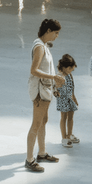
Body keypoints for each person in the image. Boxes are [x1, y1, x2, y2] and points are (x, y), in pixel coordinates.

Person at [24, 16, 62, 172]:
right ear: (48, 31)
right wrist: (54, 77)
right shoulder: (39, 47)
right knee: (36, 124)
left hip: (45, 90)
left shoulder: (43, 45)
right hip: (40, 91)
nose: (57, 36)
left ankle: (42, 152)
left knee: (43, 121)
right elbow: (34, 70)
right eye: (56, 33)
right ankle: (29, 159)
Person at [54, 52, 80, 149]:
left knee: (71, 117)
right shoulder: (59, 76)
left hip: (70, 99)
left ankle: (69, 135)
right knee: (63, 118)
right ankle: (64, 138)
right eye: (70, 69)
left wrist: (74, 97)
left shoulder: (69, 75)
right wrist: (56, 92)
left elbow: (72, 86)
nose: (71, 71)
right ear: (64, 67)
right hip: (63, 100)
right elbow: (55, 89)